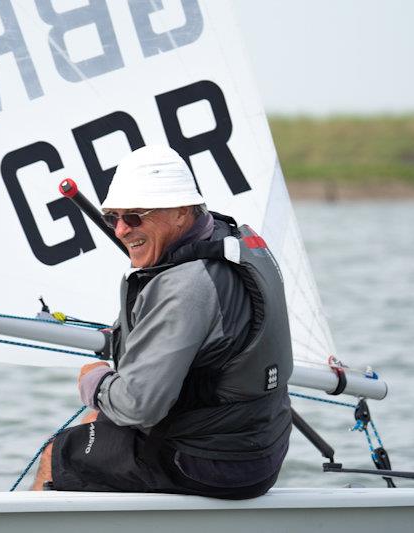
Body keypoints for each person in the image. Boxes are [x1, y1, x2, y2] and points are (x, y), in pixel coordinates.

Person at [31, 144, 293, 499]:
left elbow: (139, 406)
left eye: (135, 217)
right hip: (264, 445)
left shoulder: (185, 285)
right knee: (98, 424)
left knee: (60, 455)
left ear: (182, 212)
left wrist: (93, 379)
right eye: (113, 218)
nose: (121, 230)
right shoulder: (232, 240)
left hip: (214, 462)